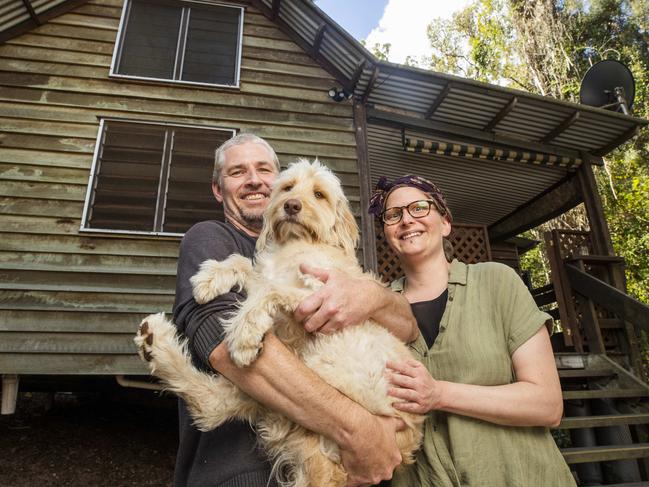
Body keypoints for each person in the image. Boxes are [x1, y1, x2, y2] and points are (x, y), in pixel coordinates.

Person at [172, 134, 418, 487]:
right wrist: (362, 429)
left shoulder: (331, 262)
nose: (254, 179)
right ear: (218, 189)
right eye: (237, 172)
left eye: (264, 170)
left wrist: (373, 297)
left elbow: (407, 325)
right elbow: (224, 346)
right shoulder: (209, 237)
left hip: (319, 459)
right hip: (243, 472)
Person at [367, 175, 576, 487]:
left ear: (446, 223)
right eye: (393, 215)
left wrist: (439, 394)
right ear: (386, 232)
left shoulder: (497, 282)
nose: (406, 219)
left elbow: (547, 404)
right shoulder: (377, 310)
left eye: (419, 208)